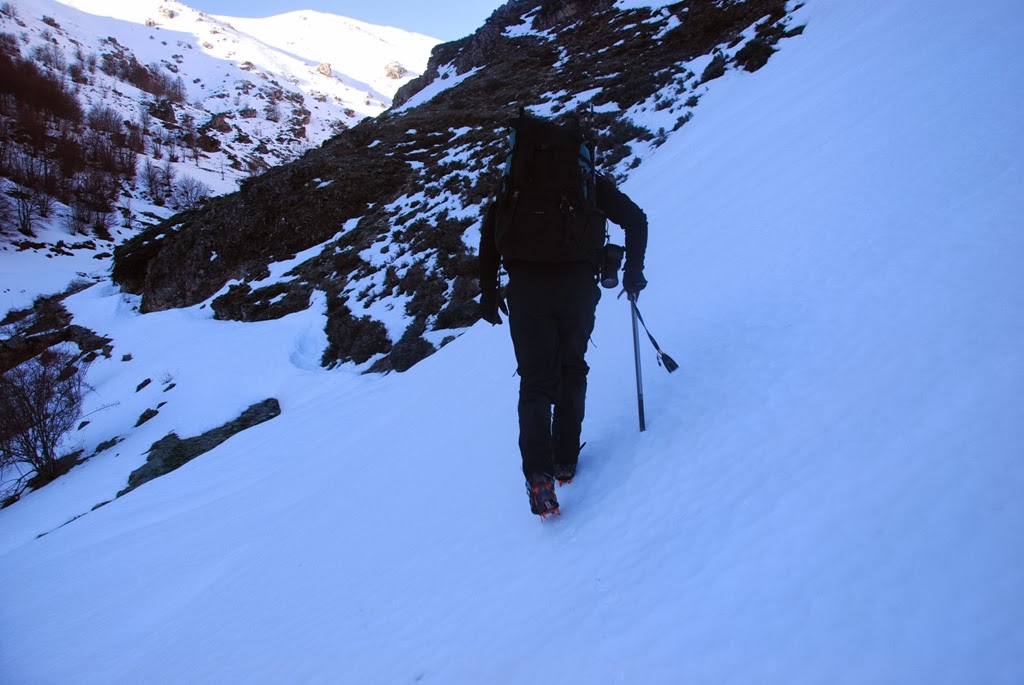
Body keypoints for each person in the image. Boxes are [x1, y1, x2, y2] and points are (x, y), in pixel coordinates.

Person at [478, 127, 649, 517]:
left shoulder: (515, 183)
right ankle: (565, 459)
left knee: (536, 380)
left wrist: (488, 291)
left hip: (526, 287)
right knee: (571, 367)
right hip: (577, 286)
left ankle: (539, 476)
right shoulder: (585, 181)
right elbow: (636, 220)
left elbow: (489, 235)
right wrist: (633, 271)